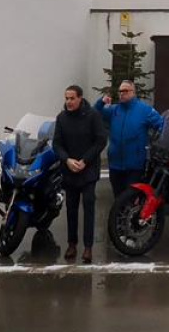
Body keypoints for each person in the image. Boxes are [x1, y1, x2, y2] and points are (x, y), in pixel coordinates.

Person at [52, 84, 109, 262]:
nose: (68, 101)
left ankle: (88, 247)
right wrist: (67, 160)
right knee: (71, 208)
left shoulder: (93, 115)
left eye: (72, 98)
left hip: (88, 169)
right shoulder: (61, 118)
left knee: (89, 206)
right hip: (69, 170)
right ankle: (72, 244)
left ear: (80, 98)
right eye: (66, 98)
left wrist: (85, 160)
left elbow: (101, 140)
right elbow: (57, 144)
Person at [97, 80, 164, 199]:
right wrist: (101, 102)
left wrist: (157, 144)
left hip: (135, 165)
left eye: (125, 91)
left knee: (130, 198)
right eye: (120, 91)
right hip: (115, 164)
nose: (122, 93)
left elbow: (162, 125)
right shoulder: (114, 110)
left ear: (133, 92)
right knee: (118, 199)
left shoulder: (144, 110)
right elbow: (95, 113)